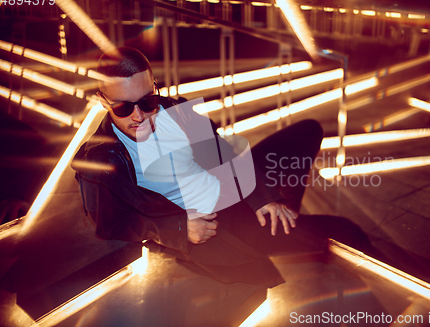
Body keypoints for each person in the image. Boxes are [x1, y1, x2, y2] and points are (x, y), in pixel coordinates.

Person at [72, 47, 371, 288]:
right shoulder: (100, 160)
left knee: (307, 131)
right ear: (101, 101)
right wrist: (176, 229)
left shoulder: (175, 110)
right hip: (215, 225)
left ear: (154, 88)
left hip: (229, 188)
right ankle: (282, 229)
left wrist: (262, 198)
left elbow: (221, 153)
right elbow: (109, 226)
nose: (139, 117)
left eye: (147, 101)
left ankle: (280, 215)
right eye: (123, 107)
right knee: (347, 232)